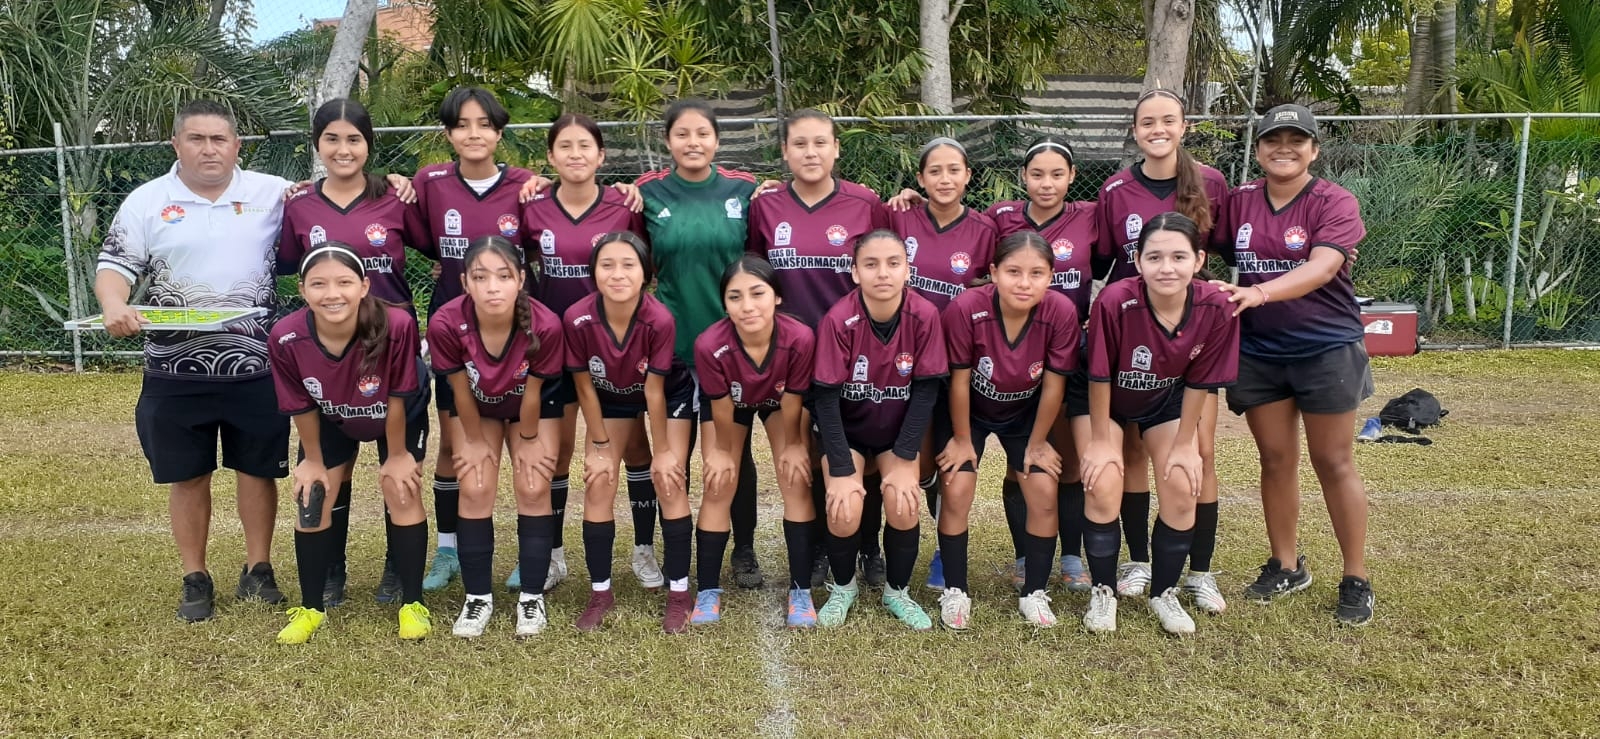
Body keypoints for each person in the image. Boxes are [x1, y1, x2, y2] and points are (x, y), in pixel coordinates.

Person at [95, 99, 292, 622]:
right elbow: (114, 266)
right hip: (173, 370)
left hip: (256, 366)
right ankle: (195, 576)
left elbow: (340, 199)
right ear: (176, 145)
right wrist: (114, 303)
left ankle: (258, 571)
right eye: (197, 139)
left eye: (219, 139)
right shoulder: (146, 201)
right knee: (188, 475)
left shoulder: (272, 194)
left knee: (257, 471)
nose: (209, 149)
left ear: (237, 147)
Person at [1212, 104, 1376, 627]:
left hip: (1325, 348)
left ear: (1314, 149)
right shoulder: (1239, 202)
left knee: (1333, 461)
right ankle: (1286, 564)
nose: (1284, 148)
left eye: (1296, 140)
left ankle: (1356, 576)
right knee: (1276, 460)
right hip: (1259, 352)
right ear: (1257, 149)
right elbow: (1187, 240)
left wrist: (1258, 292)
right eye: (1272, 140)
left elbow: (1323, 266)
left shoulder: (1333, 200)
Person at [277, 97, 427, 607]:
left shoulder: (396, 198)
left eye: (354, 139)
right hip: (325, 356)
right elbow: (287, 266)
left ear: (369, 144)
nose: (343, 149)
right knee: (324, 467)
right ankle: (331, 569)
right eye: (332, 139)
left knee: (398, 467)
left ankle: (396, 569)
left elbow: (443, 250)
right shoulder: (298, 205)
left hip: (393, 354)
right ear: (317, 145)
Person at [1095, 89, 1231, 608]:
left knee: (1198, 450)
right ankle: (1138, 561)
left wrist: (1215, 295)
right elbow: (1105, 259)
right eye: (1147, 121)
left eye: (1167, 120)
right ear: (1135, 130)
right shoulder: (1115, 189)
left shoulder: (1212, 182)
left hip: (1187, 332)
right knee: (1130, 449)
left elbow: (1224, 250)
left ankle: (1200, 570)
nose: (1158, 128)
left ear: (1183, 125)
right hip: (1131, 330)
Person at [747, 108, 892, 589]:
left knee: (858, 452)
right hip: (788, 355)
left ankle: (868, 547)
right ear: (784, 152)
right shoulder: (766, 206)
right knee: (804, 456)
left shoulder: (865, 202)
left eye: (820, 143)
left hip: (853, 353)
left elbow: (886, 254)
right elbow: (757, 275)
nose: (811, 152)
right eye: (800, 144)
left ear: (836, 149)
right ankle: (815, 552)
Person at [1079, 211, 1240, 635]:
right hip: (1106, 402)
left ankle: (1163, 593)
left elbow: (1201, 382)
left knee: (1184, 481)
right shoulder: (1115, 300)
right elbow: (1097, 375)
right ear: (1137, 259)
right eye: (1154, 257)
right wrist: (1099, 441)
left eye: (1178, 257)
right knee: (1103, 479)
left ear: (1199, 259)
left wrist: (1187, 444)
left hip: (1164, 401)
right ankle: (1103, 590)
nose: (1166, 267)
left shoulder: (1217, 306)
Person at [268, 244, 432, 643]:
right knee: (313, 496)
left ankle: (412, 603)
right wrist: (312, 461)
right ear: (303, 290)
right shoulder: (286, 336)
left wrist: (396, 455)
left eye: (343, 282)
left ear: (363, 286)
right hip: (331, 416)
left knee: (401, 488)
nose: (332, 293)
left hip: (396, 413)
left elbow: (398, 395)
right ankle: (311, 609)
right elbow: (301, 403)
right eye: (318, 284)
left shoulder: (395, 324)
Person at [636, 99, 766, 591]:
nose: (693, 143)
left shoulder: (745, 190)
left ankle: (744, 549)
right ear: (668, 141)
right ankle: (678, 555)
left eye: (703, 134)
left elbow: (759, 259)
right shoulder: (646, 194)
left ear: (716, 140)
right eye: (683, 135)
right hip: (671, 347)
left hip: (733, 350)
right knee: (675, 453)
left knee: (735, 454)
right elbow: (627, 260)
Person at [410, 86, 536, 595]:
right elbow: (419, 239)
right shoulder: (430, 183)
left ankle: (540, 554)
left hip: (518, 335)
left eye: (484, 124)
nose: (474, 133)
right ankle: (448, 550)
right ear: (449, 134)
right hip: (456, 334)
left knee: (530, 448)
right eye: (462, 125)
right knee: (455, 445)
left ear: (499, 133)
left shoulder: (528, 186)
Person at [518, 113, 649, 595]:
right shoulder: (532, 205)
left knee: (634, 448)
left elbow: (640, 263)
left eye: (585, 146)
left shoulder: (623, 205)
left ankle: (644, 549)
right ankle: (553, 554)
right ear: (550, 157)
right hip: (554, 347)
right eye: (565, 147)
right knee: (560, 452)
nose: (576, 155)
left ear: (601, 156)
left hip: (613, 347)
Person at [936, 232, 1079, 629]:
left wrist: (1036, 444)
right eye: (1013, 271)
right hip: (971, 414)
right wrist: (963, 439)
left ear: (1051, 276)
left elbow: (1054, 384)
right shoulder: (966, 308)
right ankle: (956, 589)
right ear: (994, 272)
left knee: (1044, 490)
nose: (1024, 282)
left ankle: (1034, 591)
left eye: (1036, 273)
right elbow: (959, 381)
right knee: (958, 486)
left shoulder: (1061, 312)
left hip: (1024, 415)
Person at [426, 236, 567, 638]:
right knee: (474, 485)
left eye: (503, 276)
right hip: (478, 406)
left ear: (521, 279)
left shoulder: (544, 324)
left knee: (534, 484)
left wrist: (527, 439)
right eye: (481, 277)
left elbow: (536, 392)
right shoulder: (446, 322)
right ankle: (477, 599)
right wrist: (470, 440)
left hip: (530, 405)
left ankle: (531, 596)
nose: (492, 286)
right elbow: (458, 388)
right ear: (465, 282)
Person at [810, 229, 947, 630]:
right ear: (855, 273)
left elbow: (925, 393)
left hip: (895, 435)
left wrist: (905, 459)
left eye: (893, 263)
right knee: (844, 506)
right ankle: (843, 587)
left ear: (908, 270)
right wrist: (838, 467)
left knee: (903, 500)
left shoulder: (924, 315)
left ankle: (897, 592)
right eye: (871, 264)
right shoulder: (839, 319)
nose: (882, 273)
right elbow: (826, 399)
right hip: (848, 432)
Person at [987, 136, 1105, 592]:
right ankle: (1023, 555)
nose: (1047, 183)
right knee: (1023, 462)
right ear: (1023, 177)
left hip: (1068, 351)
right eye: (1037, 173)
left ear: (1073, 177)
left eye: (1057, 174)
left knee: (1069, 461)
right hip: (1014, 354)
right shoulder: (1001, 219)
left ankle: (1072, 557)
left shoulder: (1091, 215)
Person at [565, 232, 697, 633]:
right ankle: (600, 593)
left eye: (628, 265)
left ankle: (679, 594)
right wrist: (600, 444)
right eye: (607, 265)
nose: (617, 274)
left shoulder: (659, 318)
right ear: (593, 273)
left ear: (646, 275)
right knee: (599, 479)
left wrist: (664, 452)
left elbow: (655, 391)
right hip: (610, 398)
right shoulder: (577, 317)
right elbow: (585, 385)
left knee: (669, 480)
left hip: (666, 394)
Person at [886, 137, 999, 591]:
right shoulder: (898, 215)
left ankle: (943, 553)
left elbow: (996, 286)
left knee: (955, 460)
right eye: (935, 171)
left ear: (969, 175)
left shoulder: (985, 229)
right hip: (899, 357)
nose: (945, 179)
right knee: (914, 460)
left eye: (954, 170)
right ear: (920, 179)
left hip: (956, 362)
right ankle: (879, 550)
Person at [691, 256, 817, 626]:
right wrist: (722, 452)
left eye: (757, 293)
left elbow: (793, 398)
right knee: (718, 483)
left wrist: (794, 443)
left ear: (777, 296)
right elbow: (722, 406)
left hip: (780, 403)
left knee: (795, 478)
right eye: (735, 297)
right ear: (724, 303)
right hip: (731, 406)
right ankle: (708, 591)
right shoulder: (710, 344)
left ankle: (800, 591)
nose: (747, 306)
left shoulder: (799, 337)